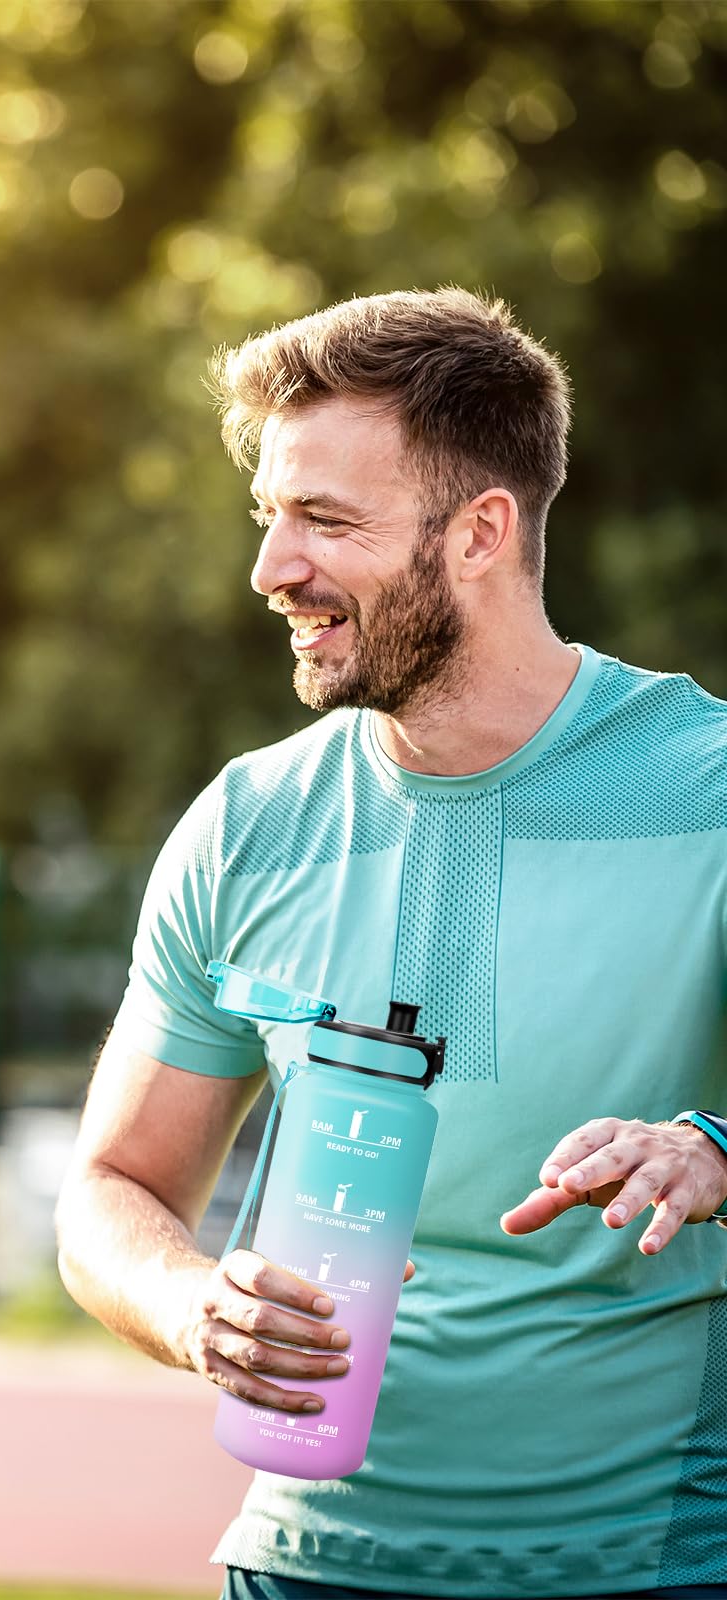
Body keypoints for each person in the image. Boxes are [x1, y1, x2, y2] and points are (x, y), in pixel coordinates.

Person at [54, 290, 727, 1600]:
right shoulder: (246, 827)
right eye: (270, 519)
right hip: (303, 1570)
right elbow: (111, 1193)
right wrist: (198, 1310)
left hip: (657, 1566)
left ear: (481, 533)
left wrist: (713, 1142)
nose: (271, 569)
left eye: (327, 522)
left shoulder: (709, 789)